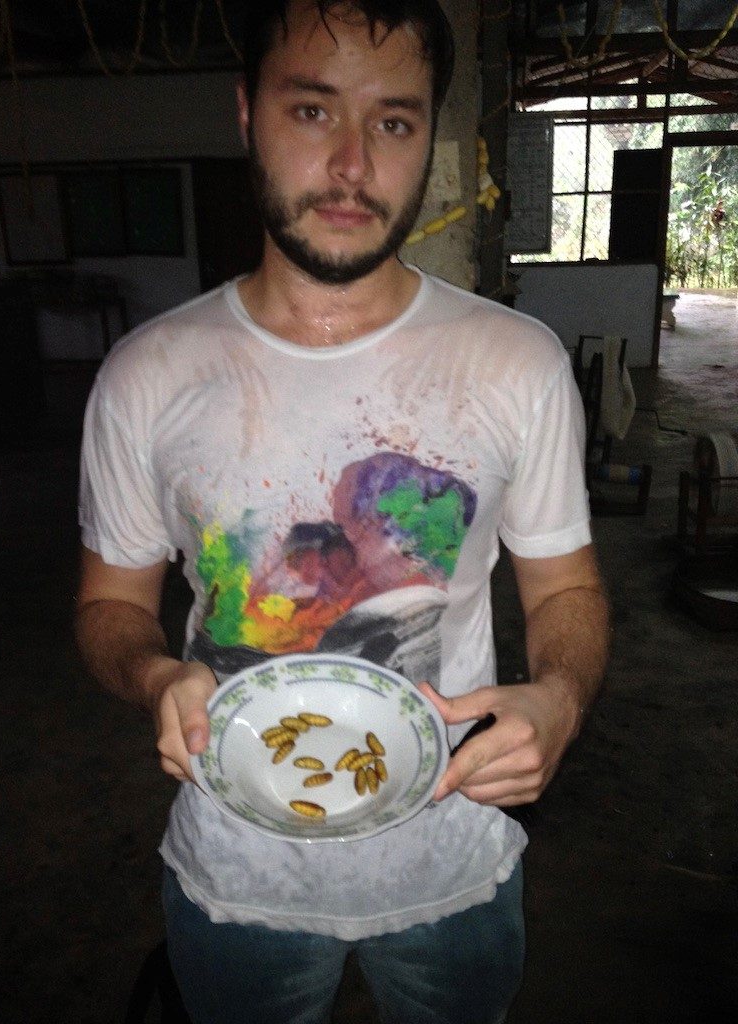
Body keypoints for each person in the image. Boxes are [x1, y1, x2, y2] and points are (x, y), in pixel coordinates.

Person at [76, 1, 610, 1022]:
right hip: (236, 886)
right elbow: (109, 602)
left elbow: (569, 586)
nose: (355, 164)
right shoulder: (148, 374)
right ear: (246, 114)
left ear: (428, 135)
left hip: (456, 869)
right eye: (315, 112)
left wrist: (560, 701)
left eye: (395, 122)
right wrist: (154, 677)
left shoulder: (516, 363)